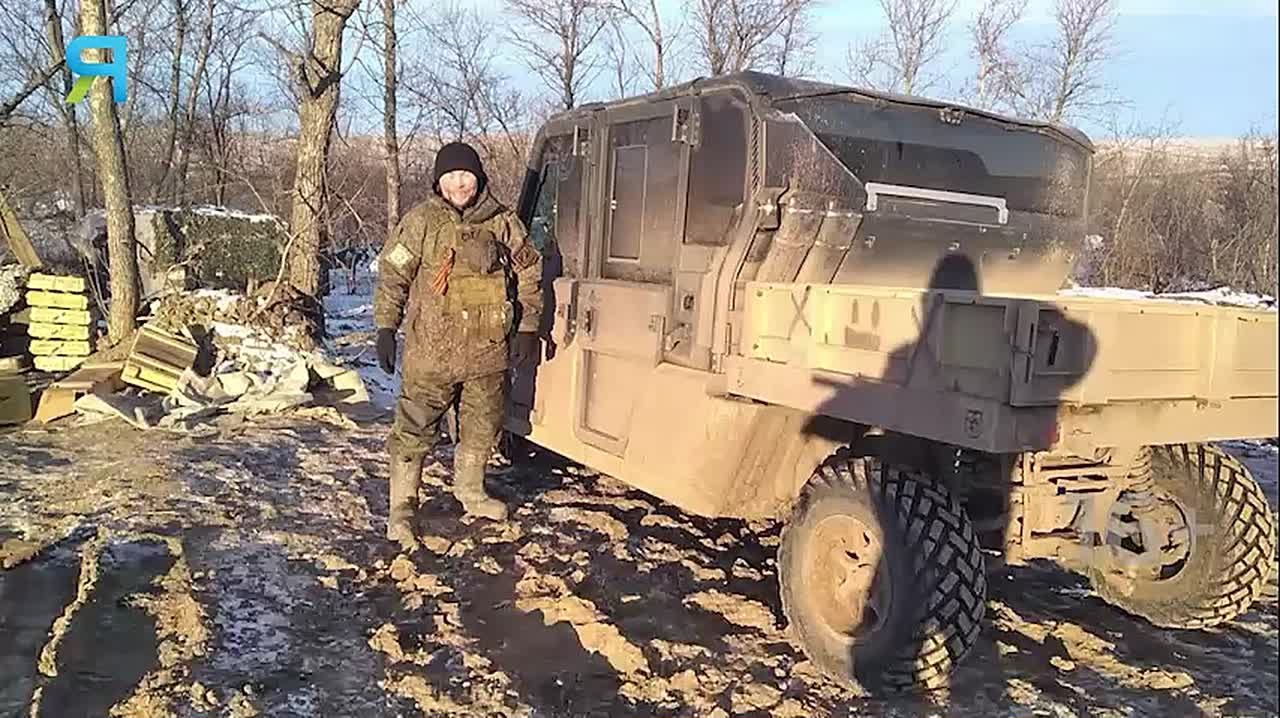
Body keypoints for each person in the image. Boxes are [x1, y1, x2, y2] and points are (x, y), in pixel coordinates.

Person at [373, 141, 542, 552]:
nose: (459, 183)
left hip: (487, 353)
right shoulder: (421, 222)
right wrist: (384, 327)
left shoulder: (504, 223)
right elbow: (393, 274)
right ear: (439, 182)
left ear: (478, 178)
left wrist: (527, 327)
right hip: (430, 354)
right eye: (451, 177)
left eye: (466, 175)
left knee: (483, 425)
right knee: (413, 431)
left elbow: (530, 273)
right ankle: (402, 508)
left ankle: (470, 491)